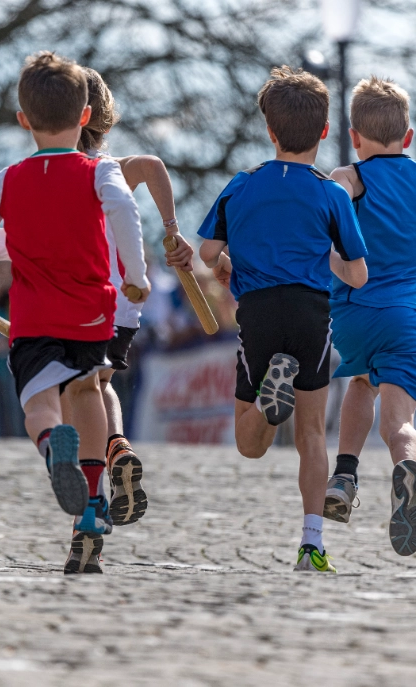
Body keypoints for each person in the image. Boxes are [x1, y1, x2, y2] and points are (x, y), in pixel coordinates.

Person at [0, 52, 149, 574]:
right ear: (86, 115)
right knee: (88, 394)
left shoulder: (10, 177)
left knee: (40, 406)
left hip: (34, 320)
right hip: (92, 314)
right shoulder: (99, 170)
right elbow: (125, 210)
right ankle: (90, 503)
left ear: (23, 119)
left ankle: (49, 448)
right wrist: (136, 272)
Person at [198, 66, 368, 573]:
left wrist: (228, 264)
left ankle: (269, 407)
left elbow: (209, 251)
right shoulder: (332, 193)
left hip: (259, 313)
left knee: (250, 446)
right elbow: (358, 275)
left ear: (269, 130)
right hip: (311, 314)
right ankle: (311, 544)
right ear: (324, 130)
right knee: (312, 434)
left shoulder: (242, 185)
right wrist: (330, 263)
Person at [62, 67, 193, 573]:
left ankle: (90, 501)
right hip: (124, 303)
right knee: (102, 384)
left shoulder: (62, 172)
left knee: (77, 396)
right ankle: (117, 448)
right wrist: (171, 230)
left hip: (78, 301)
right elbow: (156, 165)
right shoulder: (116, 168)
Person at [322, 77, 416, 556]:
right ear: (410, 135)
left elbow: (336, 191)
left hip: (357, 314)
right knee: (398, 423)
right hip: (409, 317)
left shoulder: (353, 176)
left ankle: (343, 477)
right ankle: (408, 466)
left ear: (355, 137)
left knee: (360, 381)